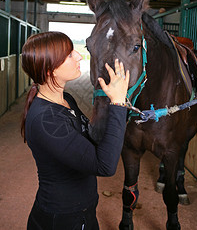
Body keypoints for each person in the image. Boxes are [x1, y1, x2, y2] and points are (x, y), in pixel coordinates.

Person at [21, 31, 129, 230]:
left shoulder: (66, 100)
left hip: (83, 210)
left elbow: (92, 142)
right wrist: (118, 103)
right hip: (63, 218)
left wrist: (112, 103)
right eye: (70, 54)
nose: (79, 56)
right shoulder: (46, 120)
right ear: (50, 70)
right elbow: (105, 165)